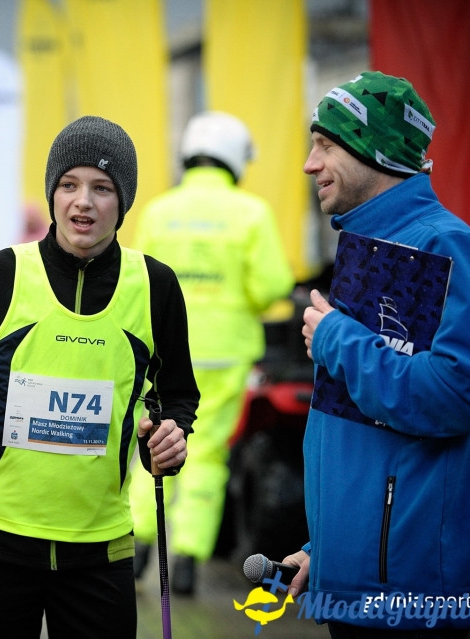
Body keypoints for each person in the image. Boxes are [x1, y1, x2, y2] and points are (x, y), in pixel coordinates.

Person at [0, 115, 200, 638]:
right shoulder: (0, 275)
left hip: (101, 549)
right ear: (51, 194)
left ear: (123, 201)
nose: (83, 202)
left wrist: (168, 438)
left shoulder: (154, 286)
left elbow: (176, 397)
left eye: (102, 188)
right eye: (68, 185)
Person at [282, 71, 470, 637]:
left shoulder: (443, 244)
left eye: (326, 145)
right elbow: (365, 432)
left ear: (376, 151)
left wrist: (340, 341)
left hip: (420, 600)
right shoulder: (369, 247)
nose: (311, 164)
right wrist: (328, 554)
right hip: (364, 591)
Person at [127, 111, 294, 595]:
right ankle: (186, 562)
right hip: (224, 359)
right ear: (236, 160)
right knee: (204, 456)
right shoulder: (252, 213)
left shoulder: (160, 211)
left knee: (154, 442)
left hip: (163, 353)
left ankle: (138, 546)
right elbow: (271, 288)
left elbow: (138, 282)